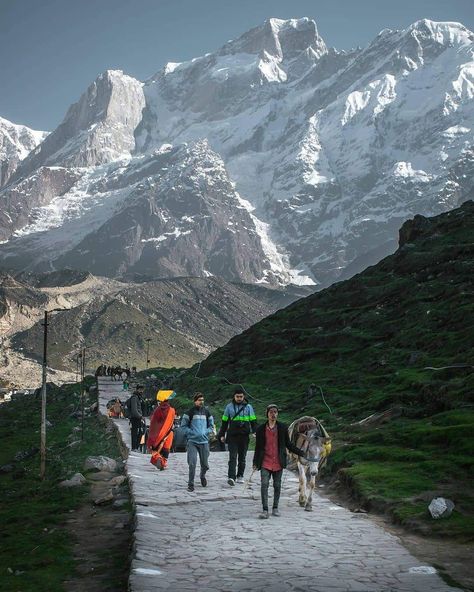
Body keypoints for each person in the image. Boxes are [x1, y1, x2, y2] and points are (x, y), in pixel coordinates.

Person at [253, 404, 305, 519]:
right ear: (267, 414)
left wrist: (300, 452)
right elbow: (258, 447)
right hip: (265, 461)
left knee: (277, 485)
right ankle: (265, 510)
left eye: (275, 412)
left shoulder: (282, 428)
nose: (273, 414)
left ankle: (275, 508)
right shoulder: (261, 429)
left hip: (278, 462)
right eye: (271, 412)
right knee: (264, 484)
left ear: (277, 414)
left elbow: (288, 444)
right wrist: (255, 462)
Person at [218, 388, 257, 486]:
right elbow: (224, 422)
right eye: (237, 396)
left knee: (242, 458)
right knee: (233, 457)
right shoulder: (229, 407)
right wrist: (222, 434)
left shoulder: (249, 407)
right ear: (234, 396)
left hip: (244, 436)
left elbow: (253, 421)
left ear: (244, 397)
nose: (239, 398)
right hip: (232, 436)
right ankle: (231, 477)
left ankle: (240, 476)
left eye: (241, 396)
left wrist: (255, 431)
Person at [181, 392, 215, 492]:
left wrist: (206, 432)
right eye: (199, 400)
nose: (201, 402)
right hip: (192, 442)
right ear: (195, 401)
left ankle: (202, 476)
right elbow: (183, 427)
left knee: (205, 464)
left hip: (204, 442)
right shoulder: (189, 413)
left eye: (202, 400)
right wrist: (191, 433)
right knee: (192, 463)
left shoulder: (207, 412)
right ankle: (190, 484)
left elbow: (211, 426)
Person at [147, 390, 176, 469]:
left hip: (157, 434)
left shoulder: (157, 410)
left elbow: (153, 422)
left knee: (156, 449)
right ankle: (164, 462)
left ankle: (158, 459)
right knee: (166, 448)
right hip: (168, 433)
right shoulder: (172, 410)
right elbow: (172, 422)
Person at [129, 385, 146, 451]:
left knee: (141, 432)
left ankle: (137, 446)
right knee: (135, 432)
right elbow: (134, 410)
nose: (141, 391)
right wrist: (140, 416)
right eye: (140, 390)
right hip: (135, 418)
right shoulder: (134, 398)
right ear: (137, 389)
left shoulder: (139, 397)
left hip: (139, 417)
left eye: (142, 390)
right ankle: (134, 447)